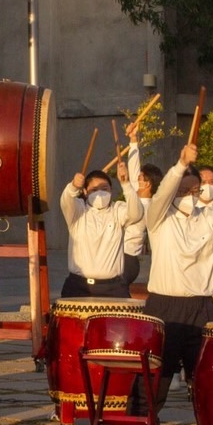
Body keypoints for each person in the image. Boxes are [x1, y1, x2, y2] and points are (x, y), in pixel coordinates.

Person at [116, 140, 213, 425]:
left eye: (195, 190)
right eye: (184, 190)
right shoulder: (159, 217)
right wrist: (180, 163)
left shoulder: (210, 217)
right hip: (163, 308)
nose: (191, 196)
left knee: (209, 385)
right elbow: (161, 197)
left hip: (202, 308)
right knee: (148, 385)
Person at [58, 122, 142, 298]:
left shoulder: (118, 210)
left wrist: (126, 183)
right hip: (78, 286)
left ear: (111, 191)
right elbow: (66, 199)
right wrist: (74, 186)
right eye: (95, 190)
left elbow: (136, 213)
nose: (100, 193)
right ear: (86, 192)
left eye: (105, 188)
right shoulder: (78, 211)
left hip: (114, 288)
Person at [123, 163, 161, 287]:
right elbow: (133, 175)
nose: (136, 181)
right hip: (126, 259)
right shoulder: (143, 203)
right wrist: (133, 144)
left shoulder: (143, 208)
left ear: (147, 184)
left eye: (140, 179)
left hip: (126, 260)